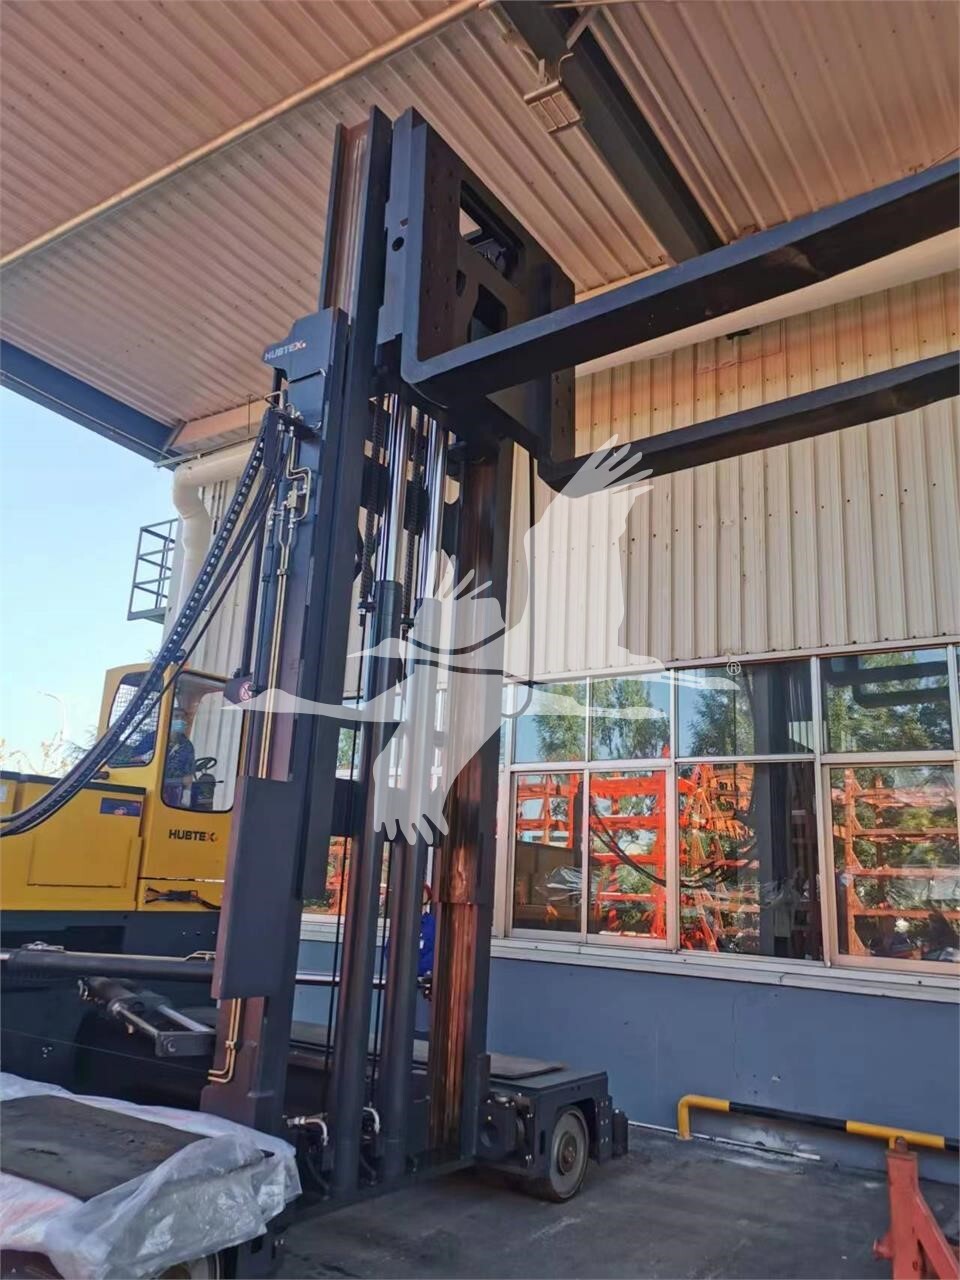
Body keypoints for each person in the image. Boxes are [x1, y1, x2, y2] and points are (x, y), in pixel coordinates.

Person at [161, 713, 196, 807]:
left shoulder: (187, 745)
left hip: (176, 790)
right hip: (155, 787)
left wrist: (186, 796)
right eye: (176, 716)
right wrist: (143, 757)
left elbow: (188, 777)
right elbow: (133, 758)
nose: (180, 720)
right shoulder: (154, 738)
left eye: (183, 718)